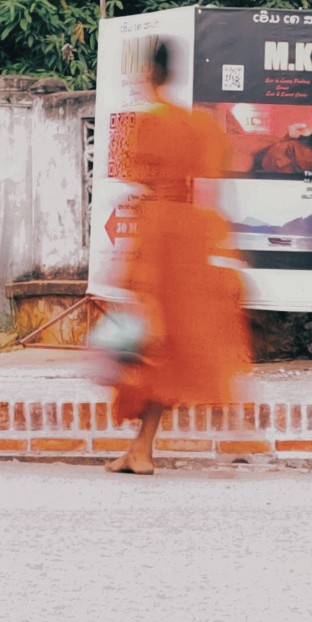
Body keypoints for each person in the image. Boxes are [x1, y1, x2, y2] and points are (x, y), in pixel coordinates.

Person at [105, 39, 251, 475]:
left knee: (151, 347)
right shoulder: (201, 126)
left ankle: (143, 450)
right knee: (174, 345)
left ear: (150, 75)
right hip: (194, 239)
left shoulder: (146, 125)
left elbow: (135, 178)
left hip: (157, 239)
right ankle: (140, 449)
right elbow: (209, 188)